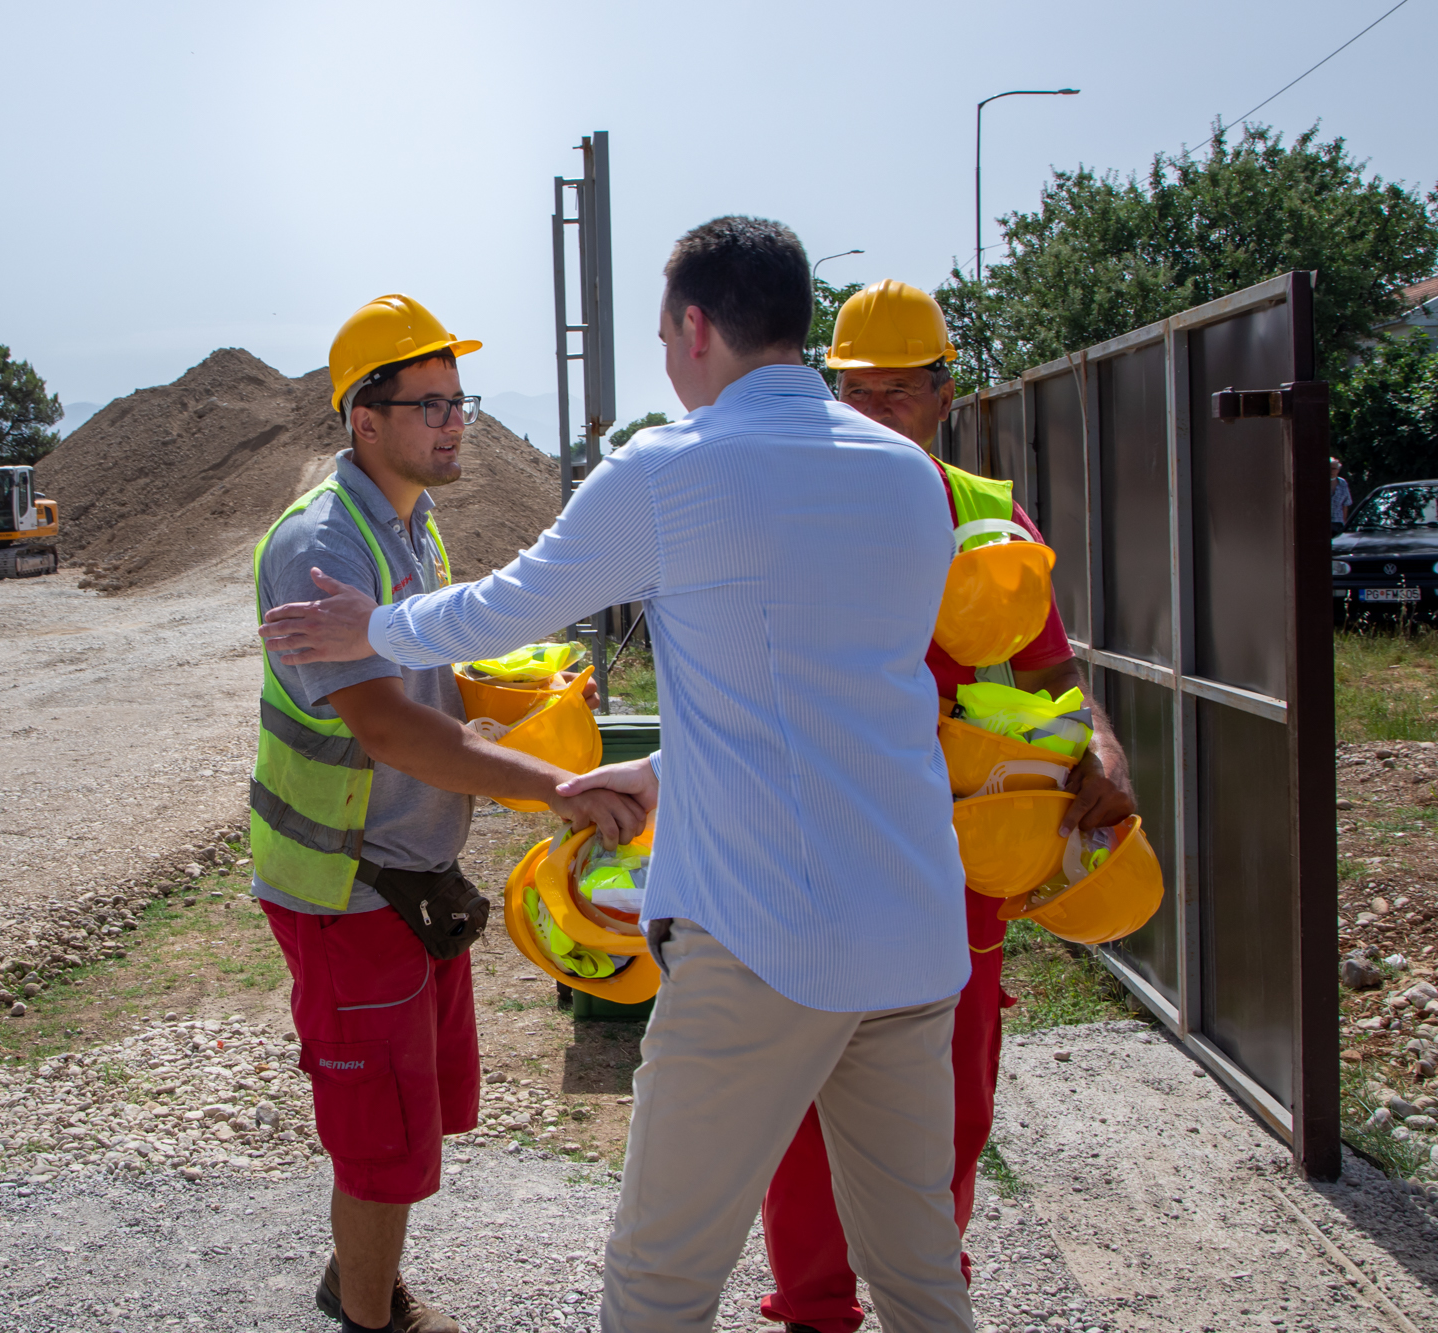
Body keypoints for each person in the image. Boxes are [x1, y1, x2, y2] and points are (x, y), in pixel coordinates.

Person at [263, 218, 979, 1333]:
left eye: (660, 334)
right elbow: (827, 703)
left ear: (695, 327)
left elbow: (512, 601)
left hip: (763, 939)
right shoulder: (906, 477)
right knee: (920, 1269)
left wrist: (380, 624)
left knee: (659, 1279)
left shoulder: (671, 467)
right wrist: (665, 766)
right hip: (913, 934)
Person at [250, 293, 643, 1333]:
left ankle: (359, 1283)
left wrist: (527, 701)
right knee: (380, 1140)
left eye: (456, 402)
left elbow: (430, 676)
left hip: (402, 876)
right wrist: (552, 784)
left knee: (405, 1122)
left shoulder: (410, 528)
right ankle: (369, 1317)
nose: (451, 422)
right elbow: (385, 727)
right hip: (347, 884)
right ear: (360, 418)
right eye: (426, 404)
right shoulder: (325, 543)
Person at [750, 279, 1136, 1333]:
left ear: (941, 393)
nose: (877, 414)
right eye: (856, 394)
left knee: (950, 1113)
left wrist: (1101, 751)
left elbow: (1054, 677)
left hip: (952, 872)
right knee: (807, 1116)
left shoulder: (984, 518)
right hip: (814, 860)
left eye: (899, 394)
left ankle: (927, 1294)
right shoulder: (782, 509)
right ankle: (814, 1312)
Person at [1331, 457, 1352, 536]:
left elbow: (1345, 504)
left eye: (1334, 469)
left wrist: (1344, 522)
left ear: (1338, 470)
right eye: (1329, 468)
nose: (1331, 471)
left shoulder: (1342, 483)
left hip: (1338, 522)